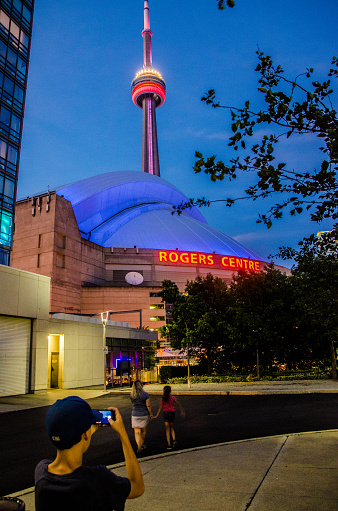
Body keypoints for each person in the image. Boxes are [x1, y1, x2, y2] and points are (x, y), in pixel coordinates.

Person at [34, 395, 144, 511]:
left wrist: (84, 433)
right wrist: (122, 434)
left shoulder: (41, 472)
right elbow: (138, 486)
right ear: (85, 435)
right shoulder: (99, 479)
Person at [154, 385, 185, 450]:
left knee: (167, 429)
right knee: (172, 427)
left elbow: (160, 408)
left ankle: (169, 444)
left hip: (166, 413)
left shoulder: (163, 399)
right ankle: (174, 440)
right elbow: (178, 404)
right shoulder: (173, 398)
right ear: (170, 391)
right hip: (172, 413)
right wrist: (182, 410)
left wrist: (156, 415)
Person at [130, 380, 153, 453]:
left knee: (137, 432)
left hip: (135, 414)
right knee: (143, 431)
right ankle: (142, 445)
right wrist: (151, 414)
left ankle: (139, 446)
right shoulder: (145, 394)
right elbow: (148, 405)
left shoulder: (132, 395)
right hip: (144, 414)